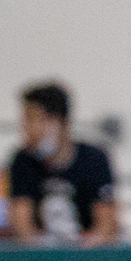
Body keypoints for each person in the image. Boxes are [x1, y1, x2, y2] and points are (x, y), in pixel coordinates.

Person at [9, 82, 119, 246]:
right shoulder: (23, 161)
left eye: (33, 119)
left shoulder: (94, 159)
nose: (26, 129)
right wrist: (44, 251)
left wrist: (80, 252)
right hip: (41, 257)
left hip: (87, 255)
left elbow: (106, 226)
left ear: (57, 122)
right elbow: (21, 225)